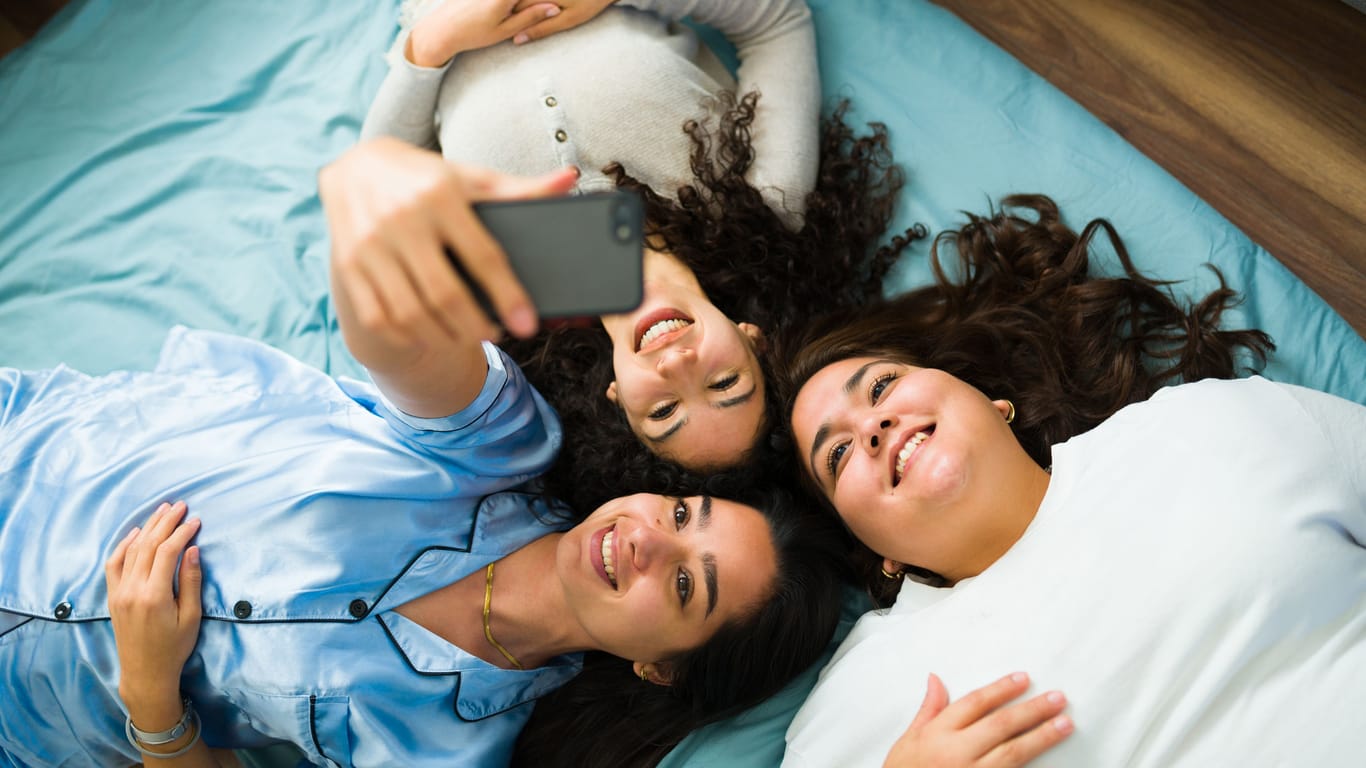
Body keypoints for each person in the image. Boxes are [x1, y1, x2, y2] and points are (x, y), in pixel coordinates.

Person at [0, 150, 847, 768]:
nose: (650, 541)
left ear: (659, 669)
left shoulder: (455, 749)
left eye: (687, 586)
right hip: (27, 461)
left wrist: (153, 700)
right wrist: (385, 209)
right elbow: (396, 330)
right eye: (679, 513)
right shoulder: (503, 450)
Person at [778, 195, 1366, 766]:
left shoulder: (1206, 422)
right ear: (879, 555)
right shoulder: (857, 708)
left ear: (991, 401)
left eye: (882, 387)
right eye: (838, 455)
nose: (874, 426)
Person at [360, 0, 916, 481]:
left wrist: (429, 45)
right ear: (753, 339)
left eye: (663, 412)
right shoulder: (766, 202)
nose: (678, 368)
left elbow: (378, 175)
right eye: (724, 382)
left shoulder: (503, 288)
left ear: (618, 399)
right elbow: (776, 21)